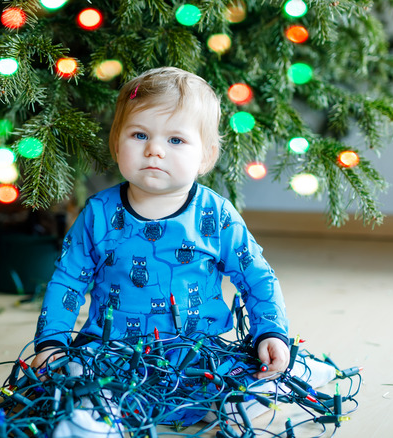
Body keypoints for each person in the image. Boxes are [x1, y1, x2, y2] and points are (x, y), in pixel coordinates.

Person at [31, 66, 289, 391]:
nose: (155, 149)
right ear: (116, 143)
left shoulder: (216, 214)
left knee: (239, 387)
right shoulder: (99, 213)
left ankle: (234, 404)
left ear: (206, 157)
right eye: (140, 135)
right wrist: (51, 342)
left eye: (176, 139)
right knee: (77, 385)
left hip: (197, 353)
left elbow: (256, 276)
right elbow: (68, 281)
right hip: (112, 352)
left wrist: (271, 331)